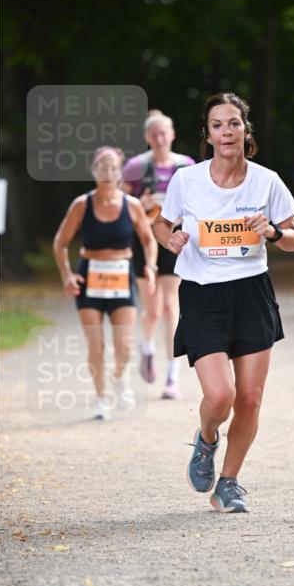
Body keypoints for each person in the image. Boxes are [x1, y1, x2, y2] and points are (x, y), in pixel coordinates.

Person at [152, 93, 294, 512]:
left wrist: (271, 232)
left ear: (245, 130)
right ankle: (207, 438)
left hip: (252, 292)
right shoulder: (187, 181)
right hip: (203, 294)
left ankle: (229, 484)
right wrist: (171, 238)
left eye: (233, 123)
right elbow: (161, 224)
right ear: (208, 134)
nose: (227, 132)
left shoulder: (266, 181)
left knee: (250, 400)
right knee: (221, 396)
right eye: (218, 125)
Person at [53, 147, 157, 420]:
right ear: (93, 171)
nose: (109, 173)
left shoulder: (131, 205)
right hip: (90, 277)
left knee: (124, 345)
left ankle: (119, 377)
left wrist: (151, 266)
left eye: (113, 168)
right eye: (103, 167)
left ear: (120, 171)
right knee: (95, 344)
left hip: (122, 276)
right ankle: (101, 399)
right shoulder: (81, 205)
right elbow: (60, 243)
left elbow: (148, 239)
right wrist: (67, 275)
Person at [122, 110, 194, 399]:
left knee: (170, 307)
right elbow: (120, 204)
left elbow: (198, 202)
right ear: (147, 138)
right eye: (154, 135)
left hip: (174, 239)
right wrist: (142, 202)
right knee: (151, 309)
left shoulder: (185, 166)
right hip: (143, 240)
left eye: (164, 133)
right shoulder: (136, 167)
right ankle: (148, 349)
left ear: (172, 135)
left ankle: (171, 375)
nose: (160, 139)